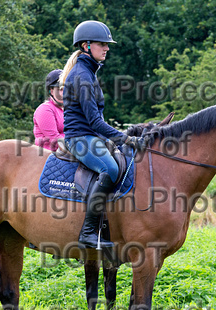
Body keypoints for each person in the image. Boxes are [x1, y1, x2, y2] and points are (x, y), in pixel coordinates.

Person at [61, 20, 144, 249]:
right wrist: (126, 138)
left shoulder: (89, 71)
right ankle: (88, 233)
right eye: (102, 44)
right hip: (79, 138)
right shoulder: (82, 76)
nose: (107, 48)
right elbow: (95, 122)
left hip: (91, 136)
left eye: (107, 44)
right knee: (110, 169)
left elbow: (98, 121)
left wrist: (115, 139)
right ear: (87, 45)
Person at [33, 69, 64, 151]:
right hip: (48, 155)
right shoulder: (45, 109)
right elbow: (55, 139)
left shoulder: (69, 110)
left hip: (67, 153)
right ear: (51, 91)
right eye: (60, 89)